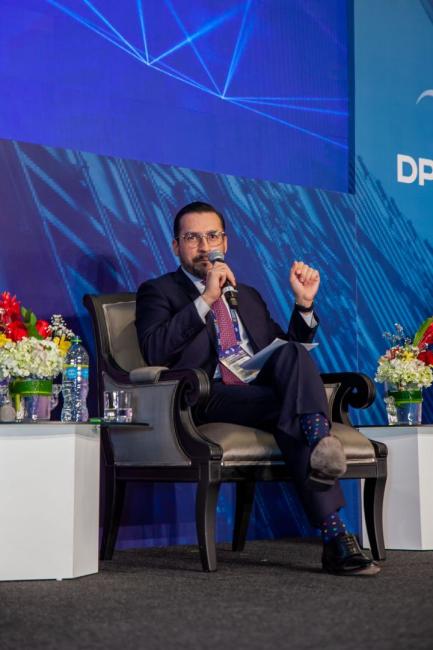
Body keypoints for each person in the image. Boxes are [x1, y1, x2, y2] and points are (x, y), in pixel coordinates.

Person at [135, 201, 380, 576]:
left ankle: (328, 495)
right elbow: (155, 350)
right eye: (192, 238)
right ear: (175, 246)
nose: (205, 246)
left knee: (292, 360)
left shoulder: (246, 295)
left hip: (258, 391)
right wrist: (206, 299)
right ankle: (329, 499)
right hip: (206, 394)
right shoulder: (158, 291)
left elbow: (288, 355)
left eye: (212, 236)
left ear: (226, 242)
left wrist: (304, 305)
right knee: (297, 412)